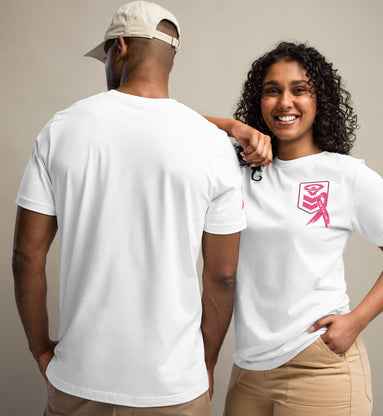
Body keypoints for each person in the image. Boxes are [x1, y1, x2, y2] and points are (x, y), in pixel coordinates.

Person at [12, 2, 246, 415]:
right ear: (171, 60)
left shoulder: (62, 129)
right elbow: (223, 277)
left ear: (118, 48)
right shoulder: (212, 145)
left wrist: (40, 350)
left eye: (105, 54)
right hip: (174, 385)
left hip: (79, 378)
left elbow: (26, 256)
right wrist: (205, 364)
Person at [207, 42, 383, 415]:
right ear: (259, 100)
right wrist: (233, 127)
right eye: (273, 91)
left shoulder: (346, 176)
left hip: (319, 368)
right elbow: (168, 125)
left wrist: (356, 321)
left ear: (320, 100)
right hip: (248, 369)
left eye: (299, 90)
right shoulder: (233, 166)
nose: (285, 102)